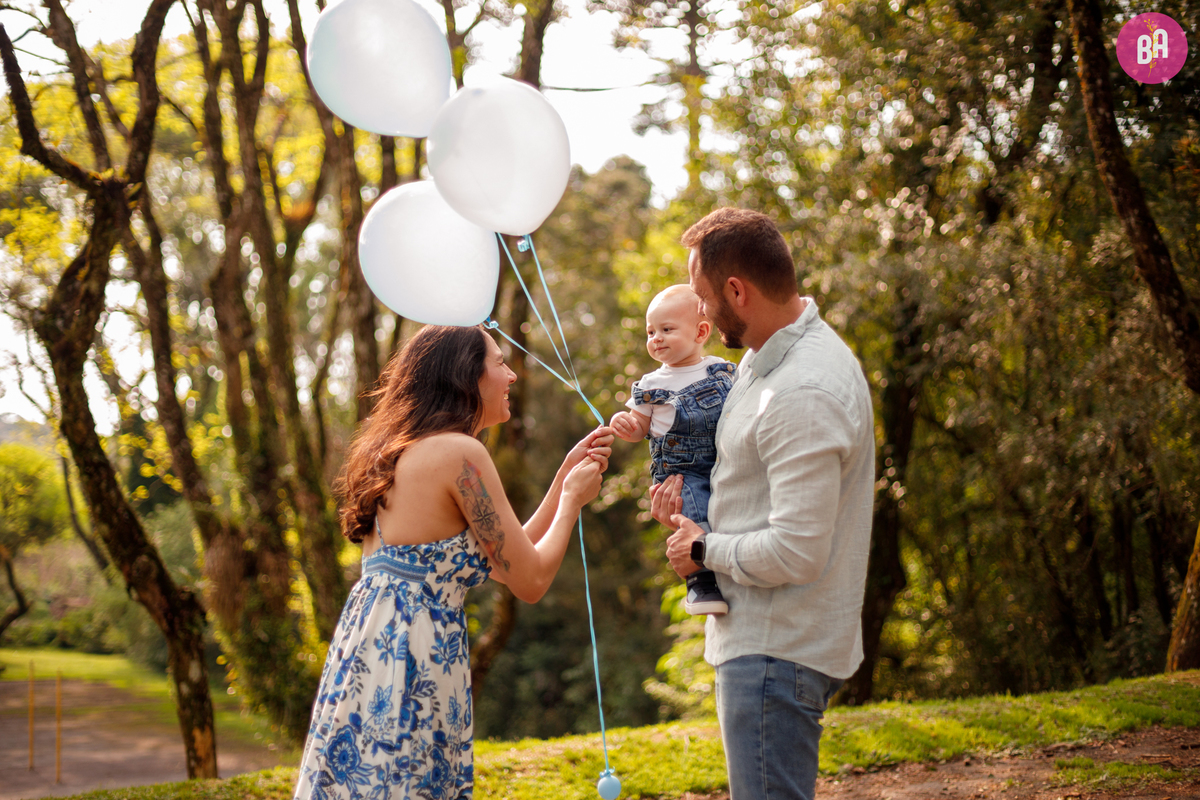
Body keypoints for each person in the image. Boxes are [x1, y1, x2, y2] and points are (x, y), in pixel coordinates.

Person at [294, 324, 613, 800]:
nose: (512, 375)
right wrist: (572, 501)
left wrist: (563, 477)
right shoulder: (461, 453)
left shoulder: (403, 450)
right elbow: (529, 579)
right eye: (499, 363)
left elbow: (506, 557)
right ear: (467, 375)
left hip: (372, 649)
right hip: (413, 654)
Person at [651, 208, 875, 800]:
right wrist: (689, 511)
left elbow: (797, 551)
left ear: (735, 291)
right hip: (765, 646)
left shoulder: (803, 389)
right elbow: (748, 484)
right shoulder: (761, 358)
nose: (699, 312)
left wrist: (703, 548)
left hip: (777, 652)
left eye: (702, 296)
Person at [610, 284, 734, 615]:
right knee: (692, 512)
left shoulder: (720, 370)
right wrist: (625, 425)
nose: (656, 339)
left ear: (701, 332)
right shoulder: (650, 385)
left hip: (724, 459)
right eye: (651, 332)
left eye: (667, 329)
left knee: (726, 513)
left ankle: (730, 563)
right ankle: (700, 582)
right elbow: (639, 427)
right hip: (681, 470)